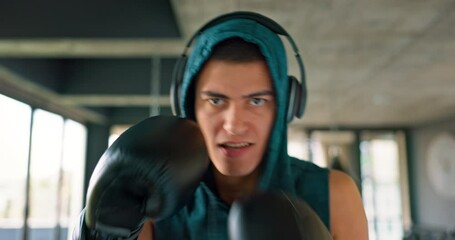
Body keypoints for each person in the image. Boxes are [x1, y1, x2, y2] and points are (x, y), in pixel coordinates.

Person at [73, 11, 368, 240]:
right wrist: (104, 230)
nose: (234, 125)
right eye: (216, 101)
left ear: (283, 107)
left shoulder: (334, 194)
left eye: (256, 101)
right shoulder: (152, 204)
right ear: (189, 107)